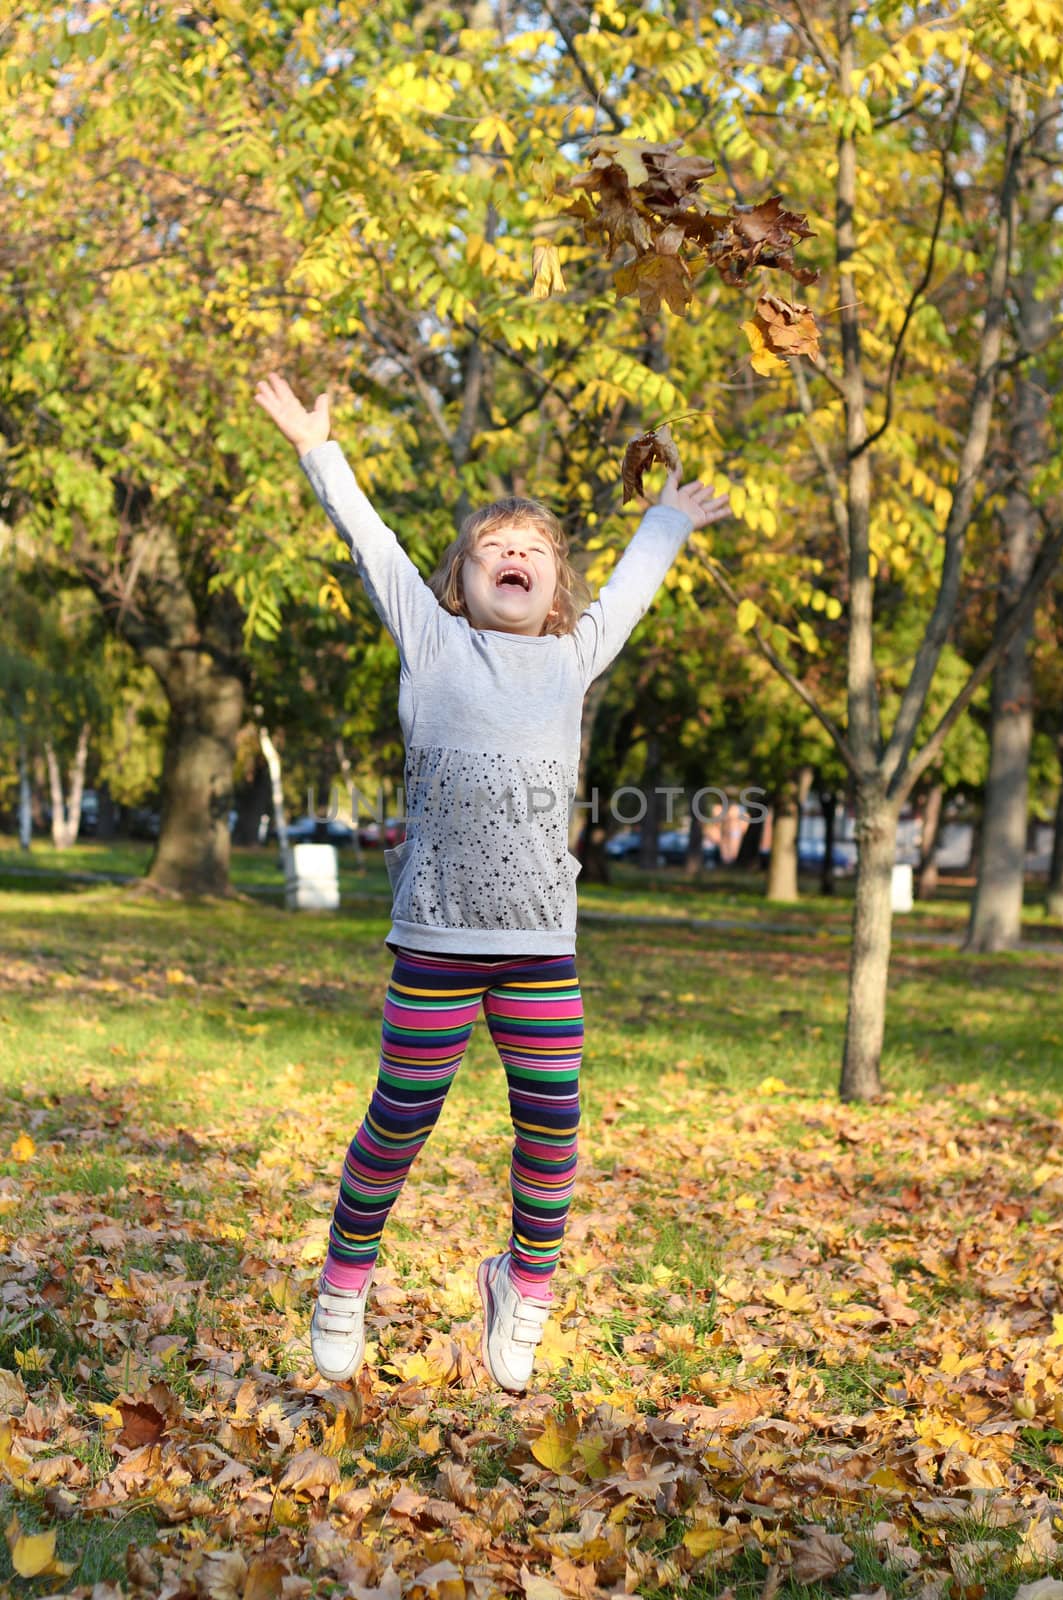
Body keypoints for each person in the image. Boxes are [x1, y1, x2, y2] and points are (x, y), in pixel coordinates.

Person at [253, 371, 731, 1392]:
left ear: (553, 589)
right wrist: (317, 451)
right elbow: (369, 541)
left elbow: (632, 590)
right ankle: (344, 1278)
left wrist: (663, 523)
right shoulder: (431, 644)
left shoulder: (571, 659)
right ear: (455, 584)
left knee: (553, 1114)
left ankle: (526, 1285)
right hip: (435, 938)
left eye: (533, 551)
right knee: (401, 1115)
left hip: (538, 947)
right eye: (490, 548)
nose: (512, 555)